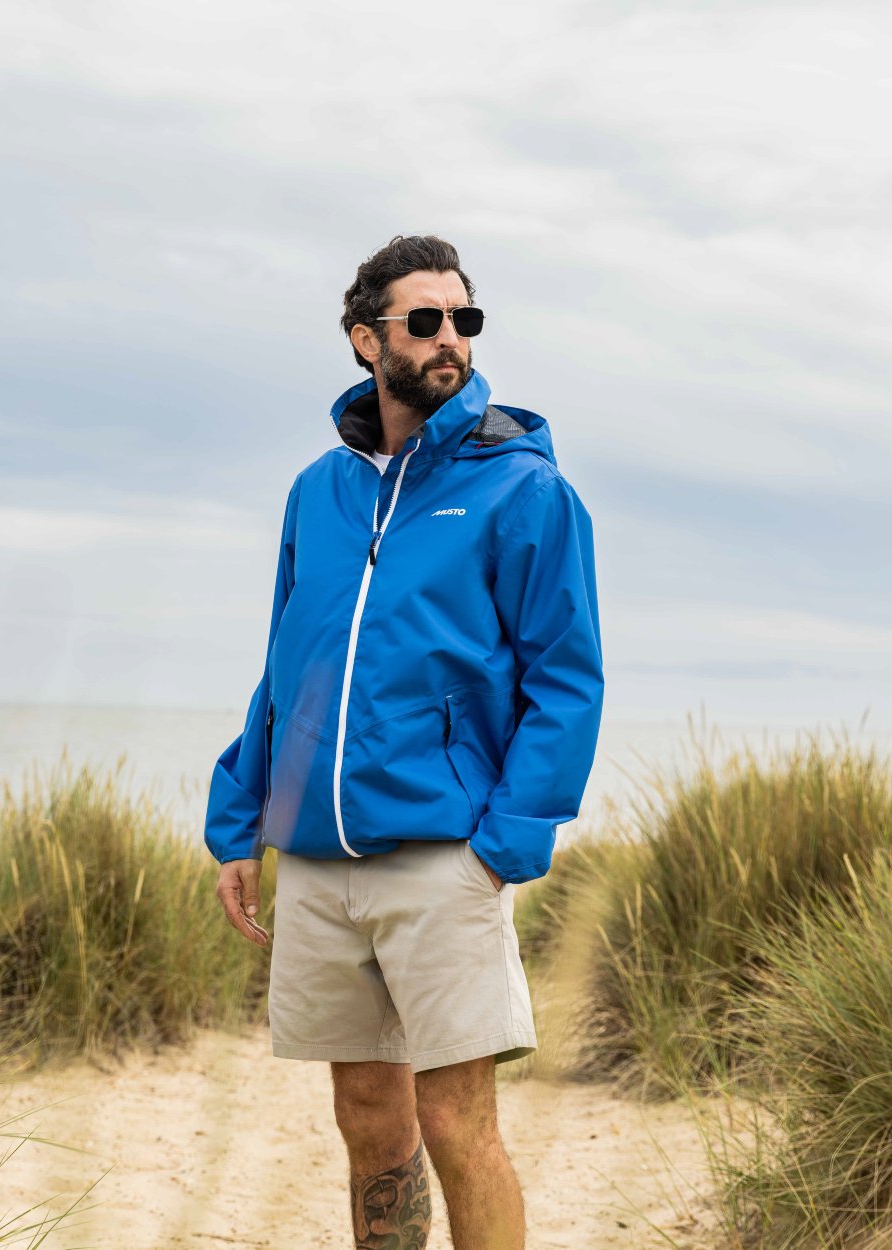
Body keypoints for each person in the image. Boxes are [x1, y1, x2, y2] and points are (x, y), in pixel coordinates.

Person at [202, 234, 604, 1250]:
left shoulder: (525, 490)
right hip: (321, 858)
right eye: (423, 319)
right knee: (368, 1122)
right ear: (362, 339)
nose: (449, 339)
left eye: (464, 318)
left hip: (442, 858)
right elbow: (288, 664)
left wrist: (506, 845)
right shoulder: (315, 493)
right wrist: (237, 819)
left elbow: (567, 679)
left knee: (456, 1124)